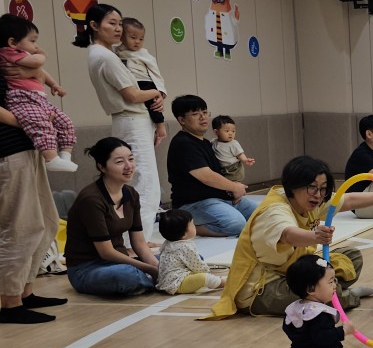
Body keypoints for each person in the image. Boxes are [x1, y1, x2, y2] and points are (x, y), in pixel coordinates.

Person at [205, 155, 373, 318]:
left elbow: (348, 200)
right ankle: (342, 296)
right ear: (293, 185)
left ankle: (327, 291)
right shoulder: (274, 209)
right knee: (317, 305)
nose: (318, 195)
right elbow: (288, 234)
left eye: (323, 189)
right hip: (262, 286)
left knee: (350, 257)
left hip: (296, 272)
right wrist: (315, 236)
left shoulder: (310, 199)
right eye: (312, 187)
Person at [73, 4, 166, 240]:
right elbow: (132, 95)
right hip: (132, 119)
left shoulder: (104, 53)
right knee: (145, 184)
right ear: (94, 26)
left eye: (120, 24)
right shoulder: (105, 56)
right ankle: (137, 241)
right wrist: (157, 93)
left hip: (131, 120)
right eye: (112, 23)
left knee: (135, 181)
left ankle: (133, 239)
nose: (118, 29)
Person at [0, 83, 64, 324]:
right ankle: (10, 302)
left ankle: (25, 291)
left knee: (47, 222)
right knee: (20, 229)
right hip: (7, 151)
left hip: (27, 149)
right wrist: (31, 120)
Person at [63, 137, 158, 296]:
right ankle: (163, 280)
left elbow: (140, 243)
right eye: (119, 162)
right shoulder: (91, 199)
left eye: (131, 159)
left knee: (180, 257)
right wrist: (151, 270)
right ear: (102, 167)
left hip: (121, 262)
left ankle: (158, 278)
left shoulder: (131, 194)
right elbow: (106, 252)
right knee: (126, 276)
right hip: (88, 269)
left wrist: (156, 265)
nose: (128, 166)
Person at [166, 95, 259, 237]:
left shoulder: (206, 143)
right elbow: (206, 176)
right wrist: (234, 187)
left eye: (205, 112)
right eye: (195, 114)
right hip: (194, 203)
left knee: (262, 214)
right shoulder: (183, 143)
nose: (202, 117)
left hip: (220, 198)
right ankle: (186, 226)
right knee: (236, 224)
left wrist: (232, 188)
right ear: (182, 120)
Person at [0, 15, 76, 172]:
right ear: (12, 42)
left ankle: (65, 156)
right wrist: (43, 55)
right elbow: (37, 63)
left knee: (65, 122)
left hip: (38, 99)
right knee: (42, 125)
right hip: (22, 99)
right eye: (33, 41)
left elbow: (39, 70)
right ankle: (51, 159)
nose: (36, 46)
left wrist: (54, 84)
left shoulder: (22, 56)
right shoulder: (8, 53)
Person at [280, 254, 363, 348]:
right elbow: (324, 338)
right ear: (311, 289)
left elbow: (289, 330)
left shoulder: (294, 308)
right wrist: (343, 331)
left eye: (334, 281)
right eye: (330, 282)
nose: (335, 286)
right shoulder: (319, 314)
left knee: (304, 346)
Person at [114, 17, 169, 128]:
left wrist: (161, 91)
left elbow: (156, 72)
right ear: (122, 36)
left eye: (141, 39)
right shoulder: (116, 50)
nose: (137, 42)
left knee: (153, 105)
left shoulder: (144, 54)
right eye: (133, 38)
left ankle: (160, 125)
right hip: (130, 84)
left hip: (145, 82)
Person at [155, 208, 224, 295]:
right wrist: (208, 273)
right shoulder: (185, 247)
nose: (194, 226)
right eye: (192, 224)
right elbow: (198, 266)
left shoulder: (168, 243)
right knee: (205, 278)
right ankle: (223, 283)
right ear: (184, 234)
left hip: (168, 282)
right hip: (178, 283)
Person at [211, 115, 255, 182]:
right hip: (222, 169)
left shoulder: (233, 143)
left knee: (234, 183)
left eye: (233, 131)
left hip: (234, 169)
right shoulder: (213, 142)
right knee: (224, 183)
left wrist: (245, 160)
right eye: (227, 131)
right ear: (216, 132)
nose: (230, 133)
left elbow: (240, 154)